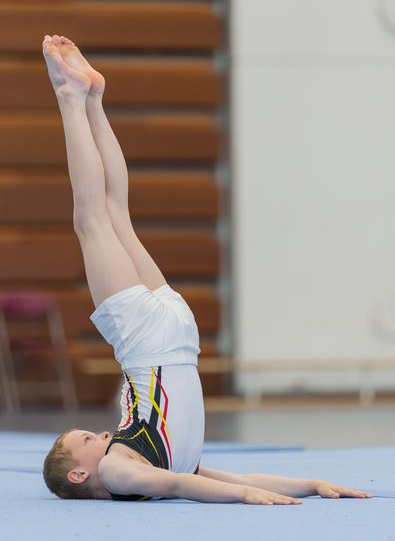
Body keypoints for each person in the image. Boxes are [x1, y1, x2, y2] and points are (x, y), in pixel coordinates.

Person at [41, 34, 372, 505]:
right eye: (86, 441)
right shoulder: (118, 472)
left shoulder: (135, 461)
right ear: (79, 475)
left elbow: (204, 481)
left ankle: (80, 97)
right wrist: (285, 489)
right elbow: (197, 483)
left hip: (172, 336)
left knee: (105, 218)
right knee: (101, 218)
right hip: (151, 340)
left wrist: (298, 488)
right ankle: (82, 100)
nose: (99, 434)